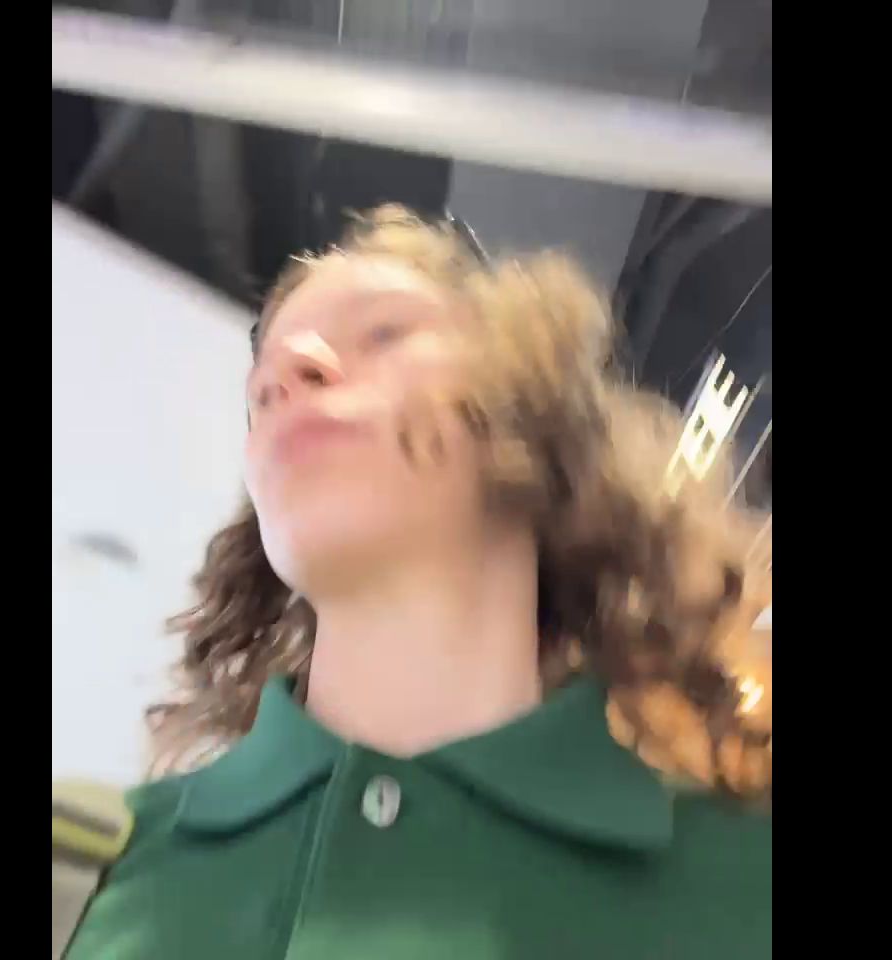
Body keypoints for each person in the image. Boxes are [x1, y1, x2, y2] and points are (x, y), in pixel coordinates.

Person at [66, 206, 772, 960]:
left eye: (383, 333)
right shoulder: (84, 876)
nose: (283, 369)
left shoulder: (745, 887)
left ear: (530, 421)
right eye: (261, 385)